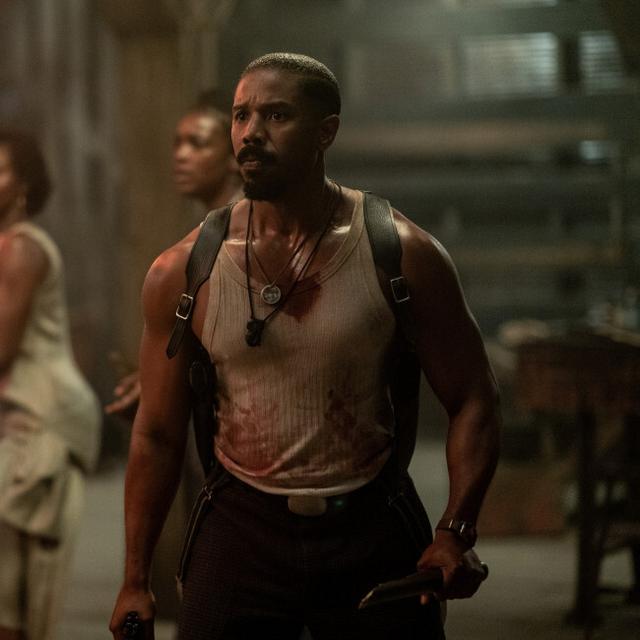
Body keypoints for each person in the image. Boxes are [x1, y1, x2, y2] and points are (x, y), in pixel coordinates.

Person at [109, 53, 501, 639]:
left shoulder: (400, 253)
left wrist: (455, 531)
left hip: (370, 519)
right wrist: (135, 578)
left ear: (326, 131)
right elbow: (157, 434)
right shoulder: (184, 271)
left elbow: (473, 397)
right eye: (241, 116)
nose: (251, 133)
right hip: (241, 522)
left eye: (276, 115)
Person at [0, 130, 101, 640]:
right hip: (20, 417)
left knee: (17, 602)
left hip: (40, 421)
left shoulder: (21, 249)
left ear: (23, 186)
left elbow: (1, 349)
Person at [105, 93, 242, 417]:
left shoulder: (244, 227)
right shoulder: (206, 227)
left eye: (197, 144)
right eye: (177, 144)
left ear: (234, 156)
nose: (181, 155)